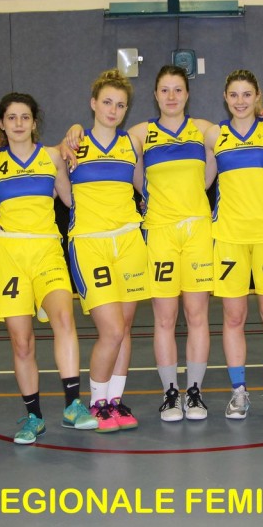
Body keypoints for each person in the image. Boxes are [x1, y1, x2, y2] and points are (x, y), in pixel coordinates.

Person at [66, 66, 216, 422]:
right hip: (157, 232)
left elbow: (237, 140)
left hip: (196, 231)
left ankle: (194, 392)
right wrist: (73, 130)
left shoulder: (204, 129)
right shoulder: (139, 135)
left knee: (197, 315)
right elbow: (126, 170)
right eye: (164, 90)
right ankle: (170, 394)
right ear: (155, 95)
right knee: (162, 319)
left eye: (178, 89)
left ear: (187, 94)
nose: (171, 96)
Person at [0, 93, 98, 444]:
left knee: (64, 319)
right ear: (2, 123)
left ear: (34, 123)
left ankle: (72, 405)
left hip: (47, 250)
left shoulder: (51, 156)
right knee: (21, 342)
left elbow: (72, 199)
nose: (18, 123)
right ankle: (33, 417)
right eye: (11, 117)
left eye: (25, 117)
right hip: (10, 256)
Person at [204, 70, 263, 421]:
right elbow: (201, 180)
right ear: (225, 97)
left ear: (258, 97)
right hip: (228, 237)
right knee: (233, 317)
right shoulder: (214, 135)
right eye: (234, 95)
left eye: (247, 94)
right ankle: (238, 393)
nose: (240, 101)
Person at [68, 69, 150, 432]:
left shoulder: (132, 144)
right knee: (112, 329)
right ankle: (96, 402)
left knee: (125, 328)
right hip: (90, 244)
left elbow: (146, 186)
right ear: (93, 103)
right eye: (107, 102)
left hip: (129, 241)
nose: (113, 110)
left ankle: (114, 401)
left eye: (120, 104)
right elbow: (53, 186)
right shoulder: (72, 145)